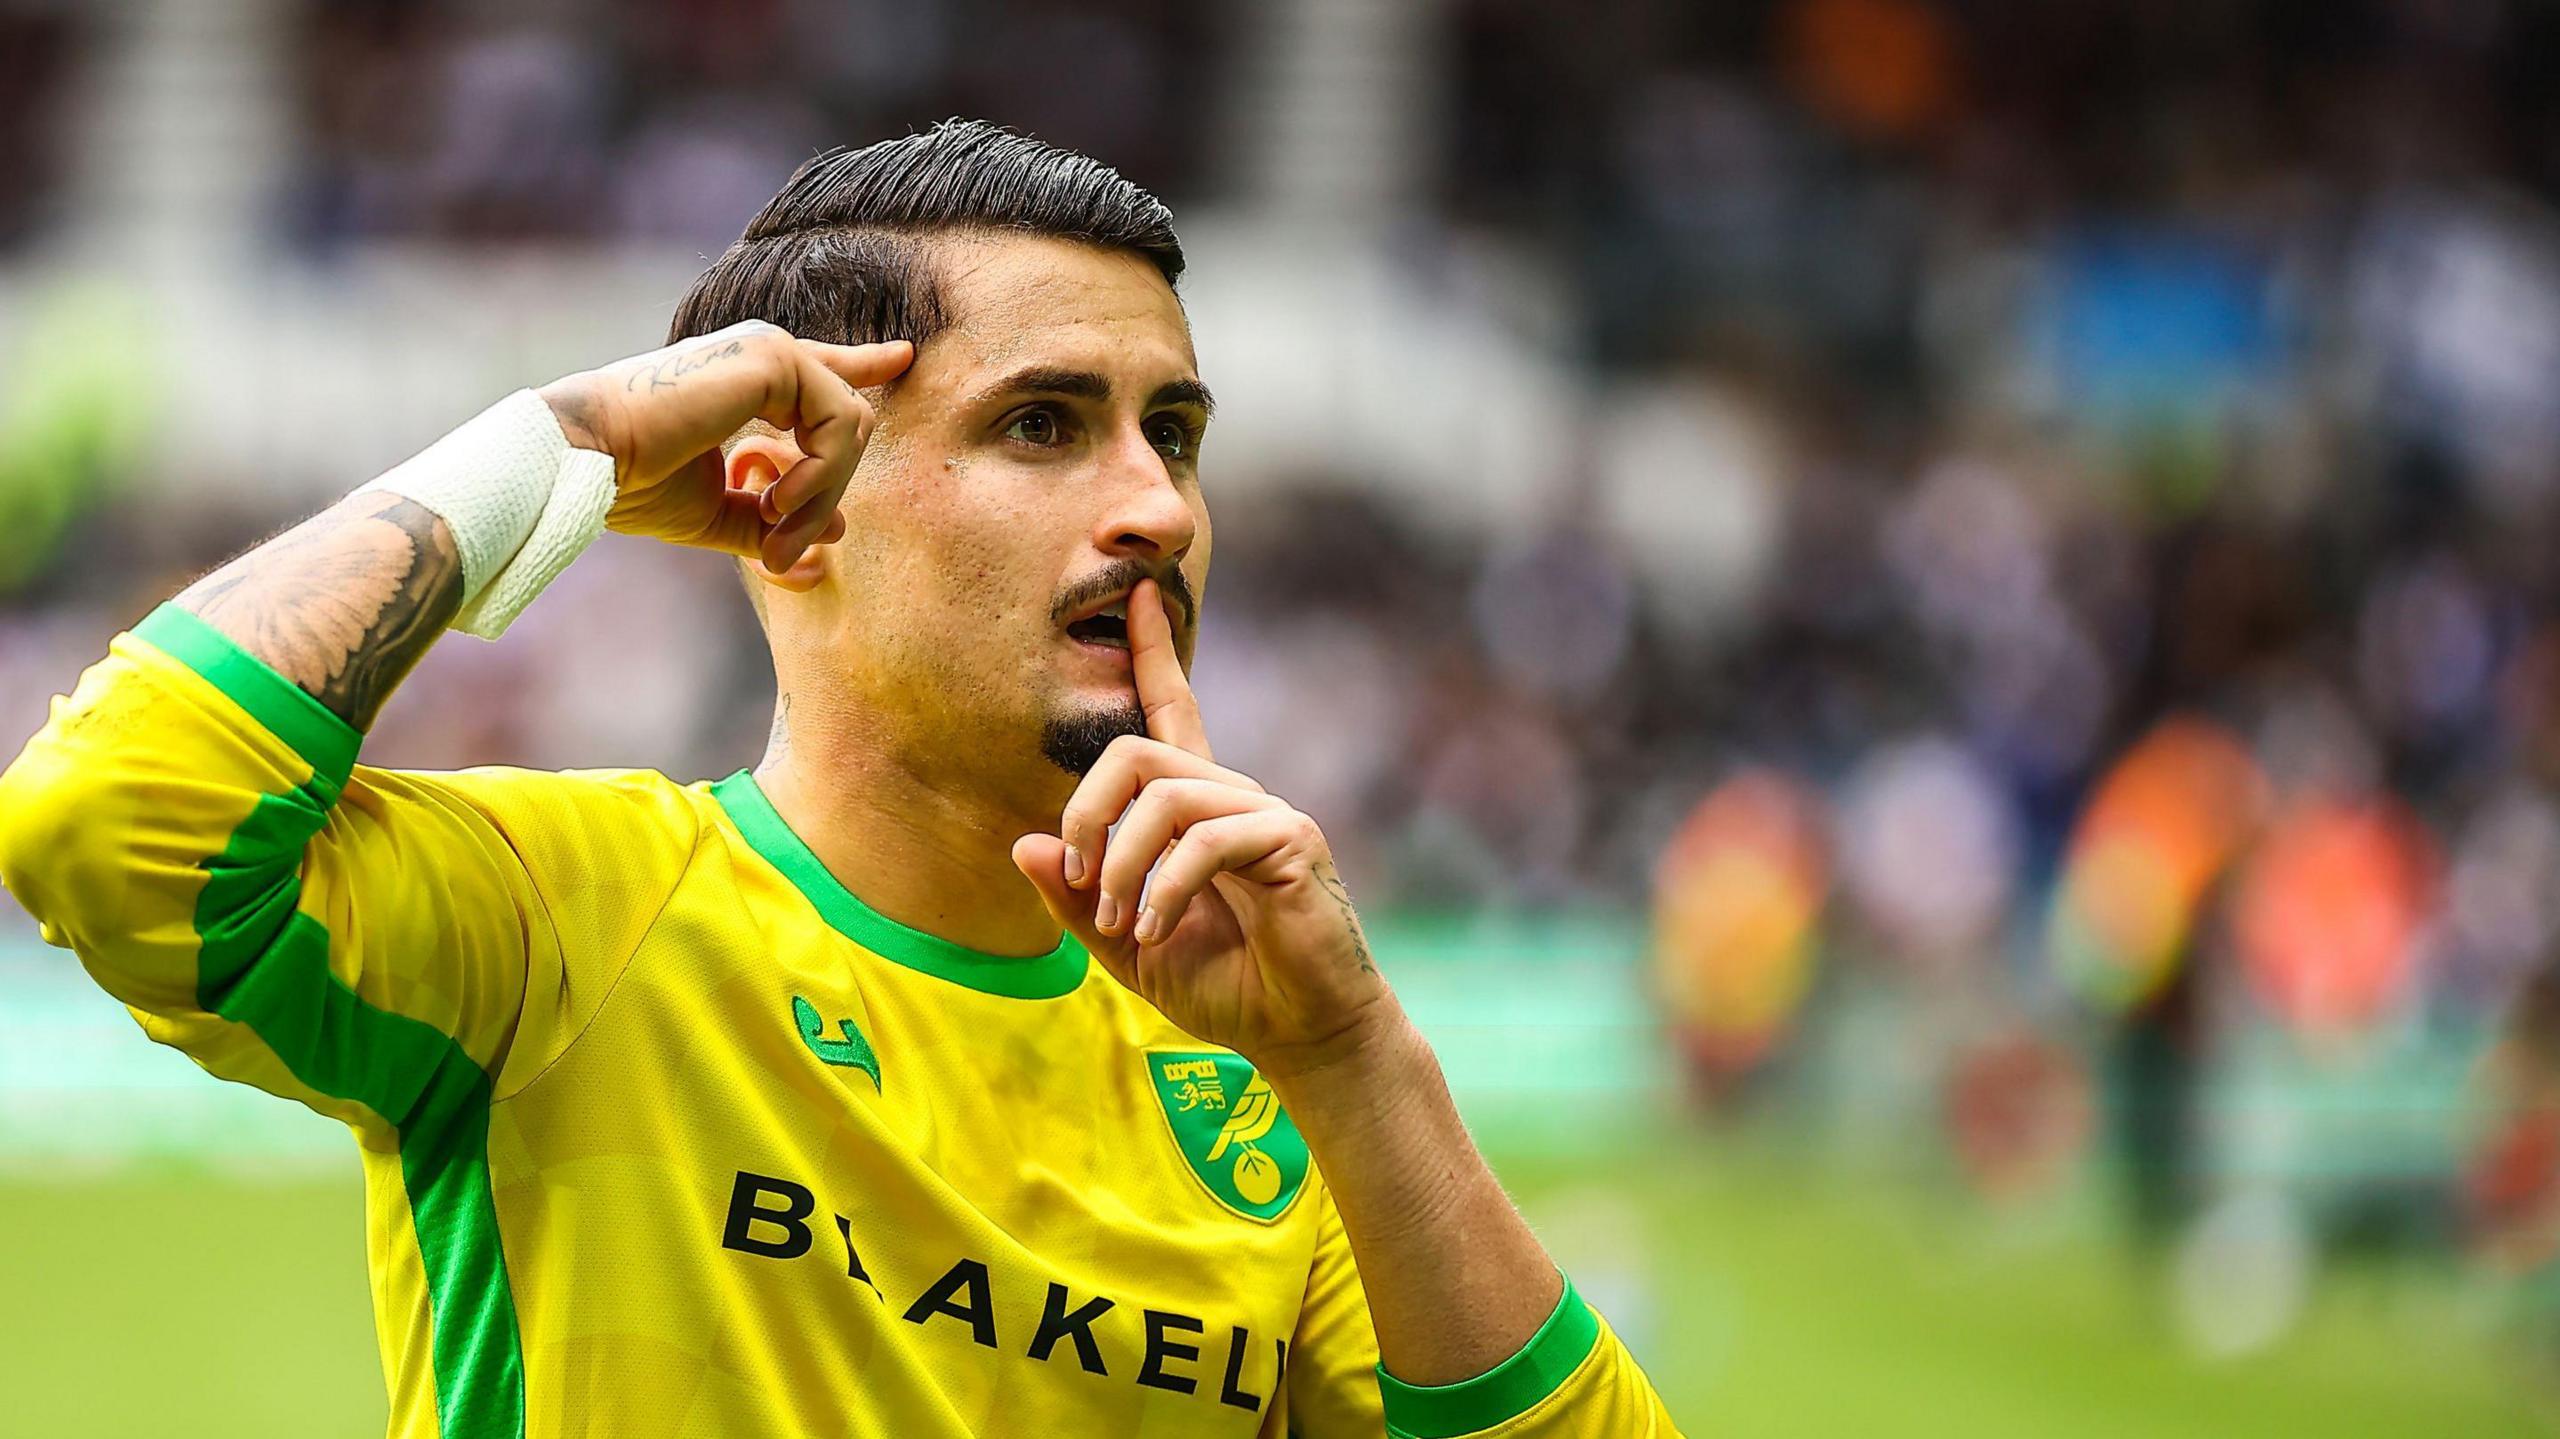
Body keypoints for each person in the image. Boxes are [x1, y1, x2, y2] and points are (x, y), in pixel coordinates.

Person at [0, 120, 1675, 1436]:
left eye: (1171, 433)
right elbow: (104, 821)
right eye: (1043, 424)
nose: (1156, 506)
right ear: (785, 498)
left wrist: (1357, 1060)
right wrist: (565, 450)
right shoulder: (571, 921)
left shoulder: (1259, 1088)